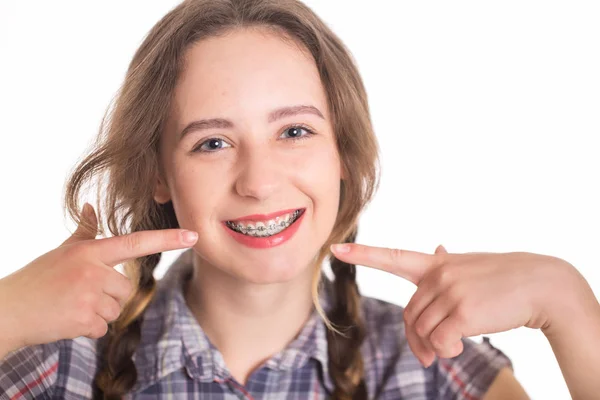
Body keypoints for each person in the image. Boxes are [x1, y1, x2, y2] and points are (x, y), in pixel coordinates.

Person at [1, 0, 599, 399]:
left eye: (293, 131)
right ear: (159, 175)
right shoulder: (62, 366)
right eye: (212, 142)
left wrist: (566, 304)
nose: (258, 181)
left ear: (342, 153)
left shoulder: (432, 371)